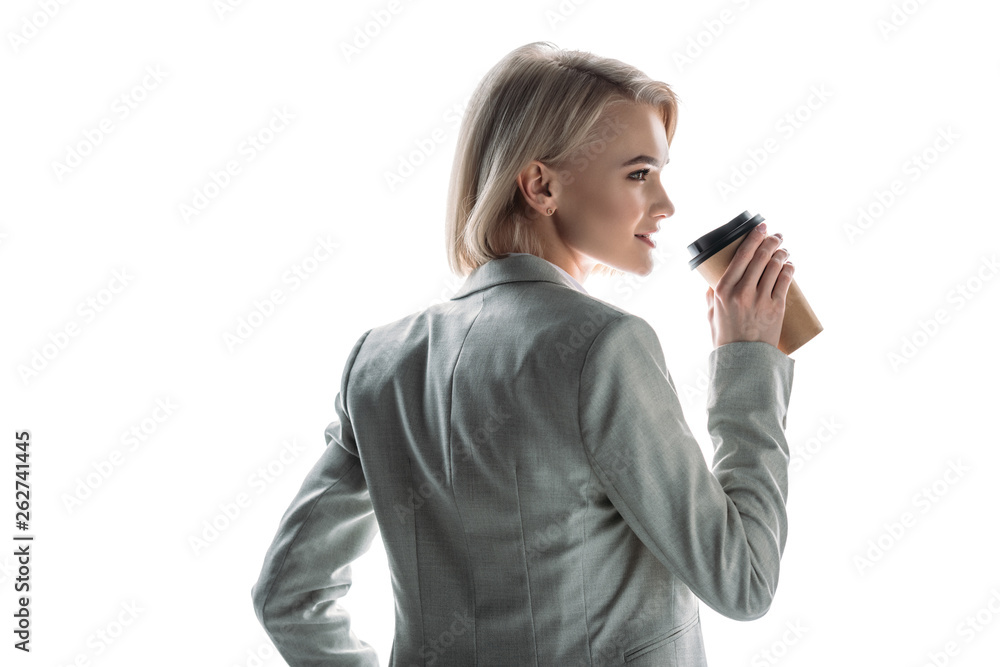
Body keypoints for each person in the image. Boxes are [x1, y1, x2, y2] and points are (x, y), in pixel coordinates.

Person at [251, 41, 796, 666]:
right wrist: (749, 358)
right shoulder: (605, 347)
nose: (666, 204)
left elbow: (287, 596)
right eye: (639, 174)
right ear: (540, 185)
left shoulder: (381, 361)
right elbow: (744, 580)